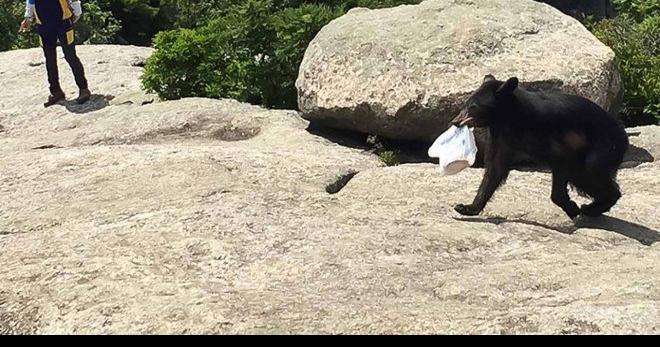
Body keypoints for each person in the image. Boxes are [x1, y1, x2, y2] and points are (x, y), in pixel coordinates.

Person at [20, 0, 91, 107]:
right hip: (43, 24)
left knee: (70, 55)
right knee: (49, 58)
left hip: (63, 22)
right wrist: (28, 18)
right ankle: (56, 91)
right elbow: (31, 1)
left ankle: (83, 88)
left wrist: (77, 12)